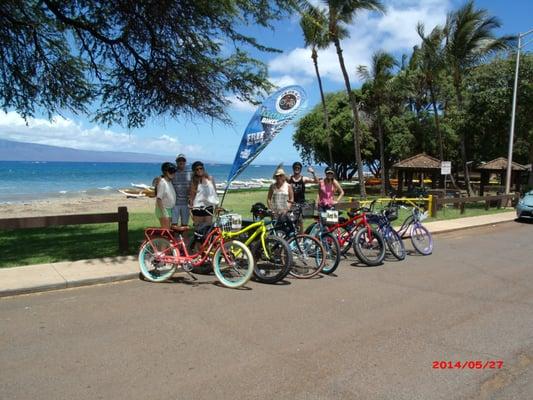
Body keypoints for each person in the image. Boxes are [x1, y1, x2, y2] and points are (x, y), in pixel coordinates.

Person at [288, 162, 318, 231]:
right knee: (291, 221)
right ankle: (293, 237)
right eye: (295, 167)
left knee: (300, 221)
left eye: (298, 168)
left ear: (300, 169)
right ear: (293, 168)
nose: (297, 169)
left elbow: (316, 181)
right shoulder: (289, 178)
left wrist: (313, 173)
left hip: (301, 204)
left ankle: (301, 238)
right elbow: (279, 179)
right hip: (292, 203)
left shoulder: (304, 179)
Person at [189, 161, 218, 227]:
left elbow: (215, 193)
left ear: (203, 169)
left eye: (201, 168)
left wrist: (217, 207)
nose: (199, 170)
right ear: (194, 171)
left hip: (208, 207)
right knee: (198, 229)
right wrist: (190, 211)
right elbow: (192, 197)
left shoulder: (210, 179)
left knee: (207, 228)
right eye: (197, 169)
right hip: (197, 208)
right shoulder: (194, 181)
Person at [171, 154, 191, 228]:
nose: (181, 162)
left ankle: (184, 239)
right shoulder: (172, 171)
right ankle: (174, 239)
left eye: (183, 160)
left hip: (186, 203)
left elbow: (193, 184)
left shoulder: (189, 172)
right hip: (175, 203)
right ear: (176, 162)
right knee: (174, 224)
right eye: (179, 160)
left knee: (185, 224)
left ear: (185, 162)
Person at [155, 162, 177, 228]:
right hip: (163, 209)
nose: (173, 173)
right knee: (166, 231)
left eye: (174, 171)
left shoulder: (169, 182)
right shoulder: (162, 182)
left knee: (167, 231)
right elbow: (159, 198)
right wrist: (164, 212)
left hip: (169, 209)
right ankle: (159, 239)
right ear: (165, 172)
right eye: (170, 171)